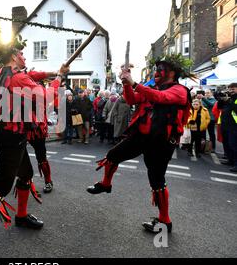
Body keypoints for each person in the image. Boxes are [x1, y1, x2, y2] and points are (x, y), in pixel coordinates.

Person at [0, 27, 68, 258]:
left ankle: (20, 216)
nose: (24, 56)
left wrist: (53, 72)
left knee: (27, 174)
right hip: (11, 137)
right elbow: (47, 97)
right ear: (13, 56)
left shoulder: (1, 73)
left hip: (11, 135)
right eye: (21, 53)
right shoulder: (17, 77)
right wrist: (58, 78)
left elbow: (32, 75)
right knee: (1, 187)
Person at [86, 55, 193, 234]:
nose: (156, 72)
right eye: (155, 69)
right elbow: (131, 100)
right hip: (140, 136)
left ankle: (165, 221)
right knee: (113, 155)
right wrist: (126, 84)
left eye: (161, 69)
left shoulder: (179, 90)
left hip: (161, 142)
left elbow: (160, 98)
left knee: (157, 180)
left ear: (172, 72)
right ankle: (106, 184)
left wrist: (134, 83)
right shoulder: (150, 87)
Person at [26, 69, 61, 194]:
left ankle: (48, 181)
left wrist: (58, 75)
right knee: (20, 159)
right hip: (20, 127)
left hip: (36, 129)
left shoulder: (38, 89)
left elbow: (51, 94)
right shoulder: (21, 81)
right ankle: (25, 183)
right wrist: (57, 75)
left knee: (41, 157)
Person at [219, 83, 237, 172]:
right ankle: (230, 160)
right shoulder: (229, 98)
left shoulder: (232, 99)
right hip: (225, 124)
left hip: (234, 126)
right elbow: (219, 107)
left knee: (234, 145)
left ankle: (236, 164)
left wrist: (228, 100)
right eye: (230, 89)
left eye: (233, 89)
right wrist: (221, 99)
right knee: (227, 143)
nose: (231, 91)